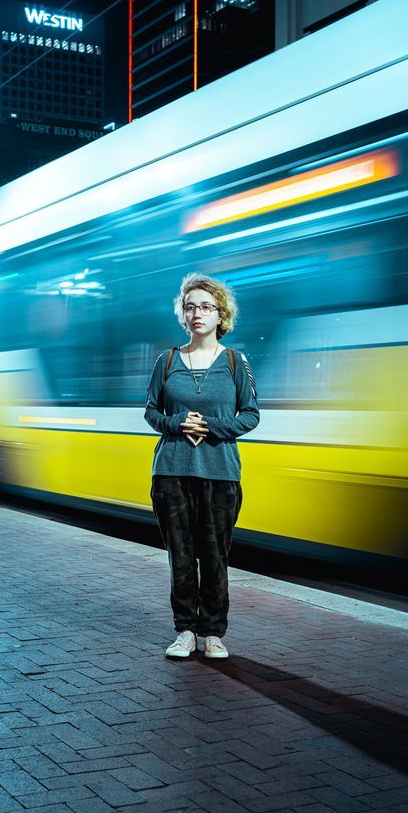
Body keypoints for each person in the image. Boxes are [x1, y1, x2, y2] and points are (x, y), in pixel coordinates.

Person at [145, 272, 260, 659]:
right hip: (171, 472)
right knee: (180, 556)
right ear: (183, 313)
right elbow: (150, 412)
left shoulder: (235, 362)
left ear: (220, 314)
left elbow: (250, 416)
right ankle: (185, 632)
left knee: (214, 557)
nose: (198, 313)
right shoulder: (167, 361)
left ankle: (213, 634)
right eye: (190, 306)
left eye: (206, 307)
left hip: (220, 474)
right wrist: (177, 423)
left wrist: (210, 425)